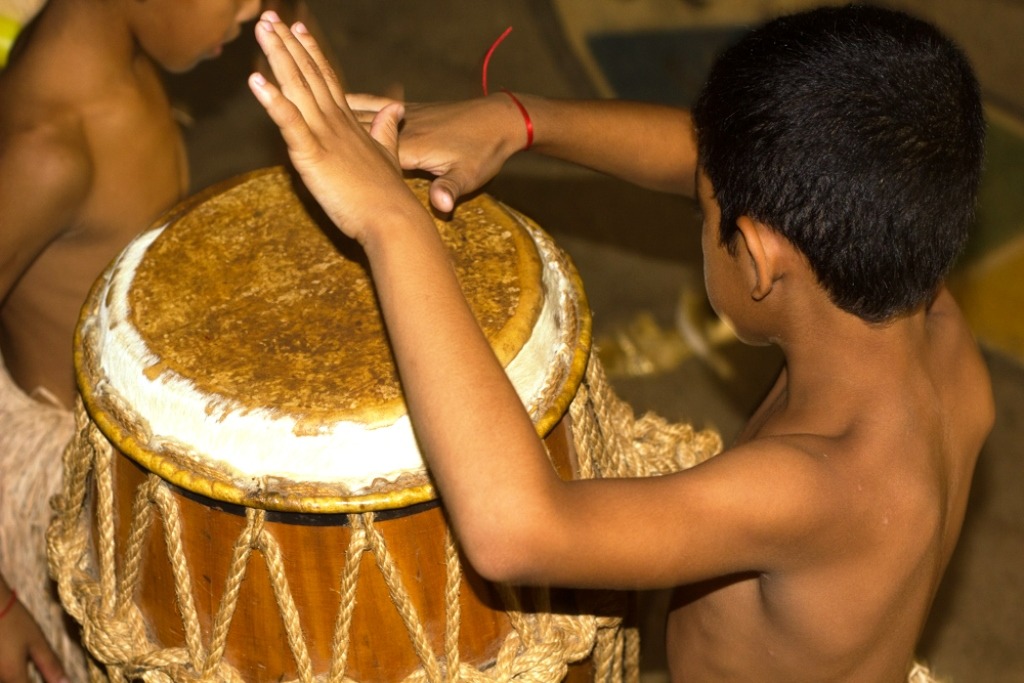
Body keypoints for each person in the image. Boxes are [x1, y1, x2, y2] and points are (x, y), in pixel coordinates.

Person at [248, 4, 993, 681]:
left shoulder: (811, 488)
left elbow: (518, 529)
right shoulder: (929, 319)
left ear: (760, 261)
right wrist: (520, 119)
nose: (695, 206)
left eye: (705, 217)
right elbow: (711, 161)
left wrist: (391, 223)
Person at [0, 0, 263, 680]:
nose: (254, 9)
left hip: (121, 416)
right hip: (68, 484)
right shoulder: (47, 150)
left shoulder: (124, 50)